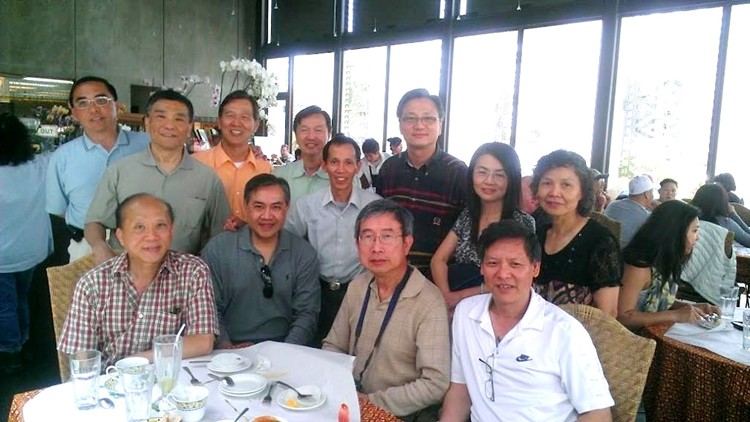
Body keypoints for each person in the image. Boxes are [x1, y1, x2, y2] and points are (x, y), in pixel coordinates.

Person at [440, 220, 614, 422]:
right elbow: (461, 389)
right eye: (493, 263)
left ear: (535, 268)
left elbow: (597, 414)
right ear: (482, 268)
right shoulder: (466, 314)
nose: (503, 274)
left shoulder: (564, 332)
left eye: (515, 264)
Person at [323, 199, 450, 420]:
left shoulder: (429, 302)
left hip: (395, 414)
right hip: (347, 403)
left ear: (407, 243)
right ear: (357, 243)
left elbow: (435, 383)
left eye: (387, 236)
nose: (376, 247)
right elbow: (333, 345)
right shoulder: (358, 286)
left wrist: (370, 404)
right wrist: (341, 389)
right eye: (368, 237)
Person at [59, 193, 218, 366]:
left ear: (171, 231)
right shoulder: (93, 284)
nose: (152, 236)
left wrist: (137, 361)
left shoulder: (193, 272)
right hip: (111, 378)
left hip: (169, 376)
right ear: (121, 236)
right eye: (139, 227)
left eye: (160, 225)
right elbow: (81, 358)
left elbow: (203, 341)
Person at [84, 89, 230, 265]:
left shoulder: (208, 179)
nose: (169, 125)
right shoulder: (119, 171)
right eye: (161, 117)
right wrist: (100, 248)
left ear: (189, 127)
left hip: (182, 275)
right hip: (126, 271)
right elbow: (95, 222)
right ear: (147, 123)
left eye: (178, 119)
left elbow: (220, 236)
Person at [201, 174, 320, 346]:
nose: (267, 216)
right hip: (229, 348)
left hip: (285, 347)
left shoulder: (303, 253)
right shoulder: (218, 249)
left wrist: (286, 351)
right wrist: (226, 347)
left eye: (276, 207)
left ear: (287, 207)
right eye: (259, 207)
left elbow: (307, 313)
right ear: (245, 207)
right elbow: (209, 308)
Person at [285, 135, 381, 343]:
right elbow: (286, 243)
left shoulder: (374, 206)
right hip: (317, 294)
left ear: (358, 167)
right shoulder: (307, 206)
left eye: (348, 163)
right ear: (325, 166)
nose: (341, 170)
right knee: (315, 350)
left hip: (361, 292)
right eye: (334, 162)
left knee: (356, 351)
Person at [46, 76, 149, 262]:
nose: (93, 109)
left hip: (145, 242)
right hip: (86, 248)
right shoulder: (62, 157)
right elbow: (59, 210)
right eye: (83, 103)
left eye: (101, 100)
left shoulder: (147, 145)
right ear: (74, 113)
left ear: (117, 105)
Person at [431, 142, 534, 311]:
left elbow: (516, 275)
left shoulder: (522, 222)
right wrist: (446, 297)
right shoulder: (468, 216)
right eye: (482, 172)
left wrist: (459, 297)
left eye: (499, 175)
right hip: (455, 302)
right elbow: (438, 260)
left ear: (512, 179)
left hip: (495, 306)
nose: (489, 181)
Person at [375, 89, 467, 278]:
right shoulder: (389, 168)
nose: (419, 125)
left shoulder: (458, 173)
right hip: (391, 276)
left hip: (439, 280)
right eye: (410, 118)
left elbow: (465, 231)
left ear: (440, 125)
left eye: (428, 118)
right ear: (400, 125)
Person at [531, 150, 622, 315]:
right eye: (547, 183)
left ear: (582, 192)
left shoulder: (600, 241)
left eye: (566, 185)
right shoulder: (537, 235)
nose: (554, 192)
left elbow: (607, 314)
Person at [0, 113, 53, 374]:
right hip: (31, 250)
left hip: (2, 256)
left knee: (4, 304)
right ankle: (23, 340)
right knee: (20, 297)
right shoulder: (40, 166)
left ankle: (11, 352)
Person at [617, 200, 720, 329]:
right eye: (694, 231)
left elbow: (659, 302)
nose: (697, 237)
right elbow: (623, 317)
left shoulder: (665, 261)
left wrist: (690, 308)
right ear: (675, 232)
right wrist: (675, 315)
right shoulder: (638, 267)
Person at [192, 90, 272, 231]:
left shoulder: (266, 170)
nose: (236, 123)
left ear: (256, 125)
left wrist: (246, 226)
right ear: (219, 121)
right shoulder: (195, 163)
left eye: (244, 117)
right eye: (230, 116)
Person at [273, 106, 333, 205]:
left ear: (329, 134)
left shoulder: (342, 177)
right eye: (304, 130)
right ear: (296, 135)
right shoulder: (281, 175)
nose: (311, 137)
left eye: (318, 130)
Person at [603, 175, 654, 248]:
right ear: (647, 195)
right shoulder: (647, 217)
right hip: (625, 253)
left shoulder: (612, 205)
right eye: (652, 192)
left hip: (604, 248)